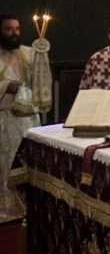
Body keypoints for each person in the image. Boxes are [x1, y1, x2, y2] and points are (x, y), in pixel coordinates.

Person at [0, 14, 51, 222]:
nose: (14, 33)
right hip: (5, 121)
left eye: (17, 29)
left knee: (29, 163)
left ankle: (28, 206)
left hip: (29, 120)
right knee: (6, 163)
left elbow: (40, 80)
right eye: (8, 29)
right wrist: (5, 86)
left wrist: (42, 56)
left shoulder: (29, 53)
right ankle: (8, 208)